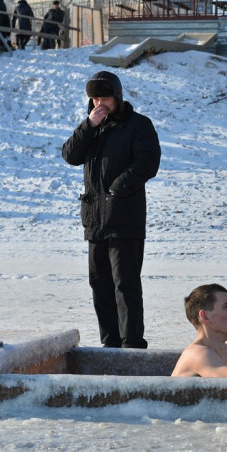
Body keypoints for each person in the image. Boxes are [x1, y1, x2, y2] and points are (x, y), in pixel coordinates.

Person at [62, 71, 161, 348]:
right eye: (95, 99)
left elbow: (148, 162)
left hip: (124, 217)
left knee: (125, 284)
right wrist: (88, 126)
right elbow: (70, 155)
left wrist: (118, 188)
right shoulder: (92, 128)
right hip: (95, 220)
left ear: (117, 97)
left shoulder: (138, 125)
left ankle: (132, 344)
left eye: (104, 98)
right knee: (99, 283)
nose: (99, 104)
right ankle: (110, 344)